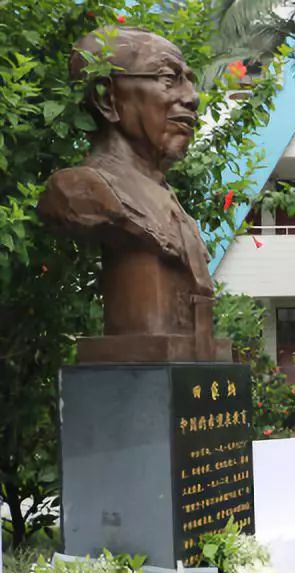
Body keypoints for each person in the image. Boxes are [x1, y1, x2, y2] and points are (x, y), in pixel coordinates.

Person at [38, 26, 226, 362]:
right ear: (107, 98)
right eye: (169, 77)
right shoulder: (83, 191)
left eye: (189, 78)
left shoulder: (169, 201)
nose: (192, 97)